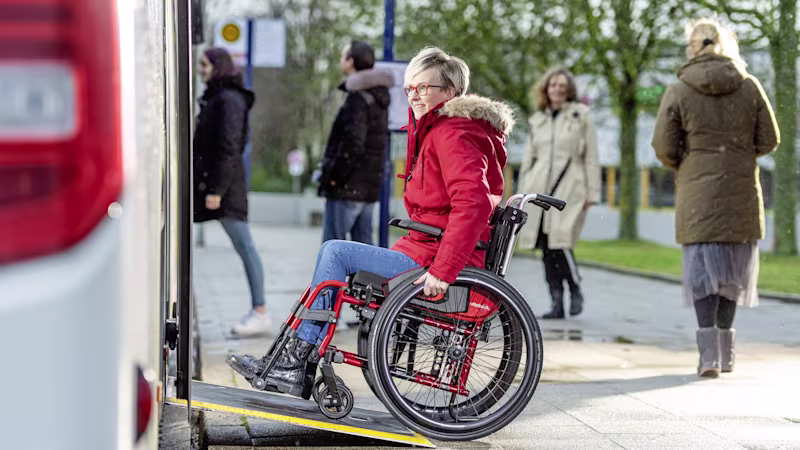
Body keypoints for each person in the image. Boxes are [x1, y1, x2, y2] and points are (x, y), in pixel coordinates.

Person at [227, 46, 515, 393]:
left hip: (437, 262)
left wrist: (443, 271)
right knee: (332, 256)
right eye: (410, 88)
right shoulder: (438, 130)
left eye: (425, 87)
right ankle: (292, 359)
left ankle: (296, 361)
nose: (415, 95)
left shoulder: (453, 132)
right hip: (425, 251)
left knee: (336, 252)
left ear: (450, 92)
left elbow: (473, 202)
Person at [652, 18, 779, 378]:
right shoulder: (749, 85)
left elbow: (664, 146)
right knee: (732, 275)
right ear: (727, 43)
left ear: (692, 47)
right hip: (740, 190)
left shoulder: (679, 89)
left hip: (697, 193)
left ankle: (708, 357)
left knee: (702, 274)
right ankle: (727, 356)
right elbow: (769, 139)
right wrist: (739, 153)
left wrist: (687, 162)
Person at [194, 47, 270, 337]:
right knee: (244, 246)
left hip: (224, 188)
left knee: (245, 246)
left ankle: (260, 311)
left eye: (204, 65)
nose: (201, 69)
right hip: (216, 184)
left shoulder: (228, 100)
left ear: (218, 66)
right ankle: (259, 309)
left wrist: (217, 189)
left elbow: (228, 148)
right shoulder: (219, 97)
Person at [517, 67, 600, 319]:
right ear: (546, 88)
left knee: (561, 242)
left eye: (562, 85)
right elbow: (529, 159)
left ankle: (575, 289)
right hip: (539, 187)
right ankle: (556, 303)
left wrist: (592, 193)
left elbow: (591, 157)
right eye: (553, 85)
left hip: (571, 187)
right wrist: (522, 193)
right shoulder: (537, 120)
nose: (557, 89)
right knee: (546, 248)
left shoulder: (581, 116)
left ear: (569, 90)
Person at [318, 41, 394, 245]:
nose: (341, 61)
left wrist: (334, 176)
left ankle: (329, 280)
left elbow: (353, 143)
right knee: (363, 252)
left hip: (347, 187)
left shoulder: (357, 99)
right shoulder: (379, 98)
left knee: (333, 249)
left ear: (351, 61)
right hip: (368, 187)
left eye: (343, 56)